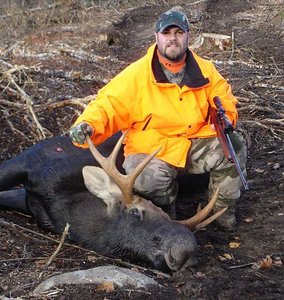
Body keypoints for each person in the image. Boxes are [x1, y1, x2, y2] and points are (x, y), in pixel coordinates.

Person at [68, 6, 247, 231]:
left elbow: (224, 97)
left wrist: (227, 117)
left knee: (233, 147)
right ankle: (165, 223)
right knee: (145, 178)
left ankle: (219, 214)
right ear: (157, 37)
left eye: (179, 33)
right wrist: (87, 125)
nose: (172, 39)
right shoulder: (136, 75)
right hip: (153, 146)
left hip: (193, 139)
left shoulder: (205, 70)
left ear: (187, 36)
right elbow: (107, 104)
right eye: (167, 33)